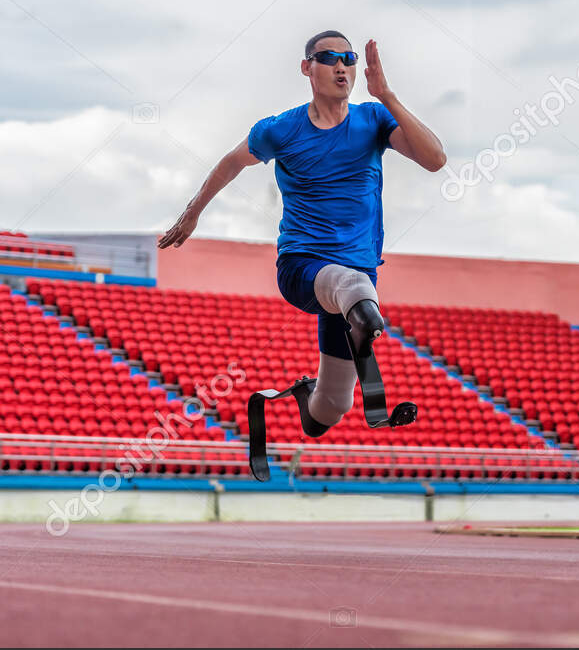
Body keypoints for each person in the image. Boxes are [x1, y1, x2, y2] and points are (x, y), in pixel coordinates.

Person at [158, 30, 446, 437]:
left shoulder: (374, 120)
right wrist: (193, 213)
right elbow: (230, 162)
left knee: (331, 409)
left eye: (349, 58)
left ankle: (305, 396)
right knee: (354, 288)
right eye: (329, 58)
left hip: (357, 280)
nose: (342, 65)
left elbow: (435, 159)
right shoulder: (281, 130)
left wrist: (387, 96)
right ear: (307, 67)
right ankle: (362, 317)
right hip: (303, 268)